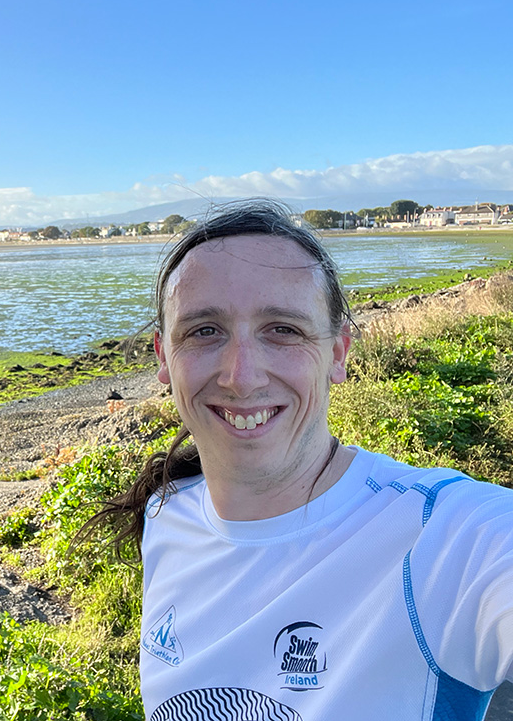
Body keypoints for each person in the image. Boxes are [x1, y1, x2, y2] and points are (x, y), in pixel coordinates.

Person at [92, 199, 513, 720]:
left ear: (337, 353)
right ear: (163, 357)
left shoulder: (443, 540)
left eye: (283, 329)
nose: (241, 377)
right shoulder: (167, 514)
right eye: (204, 331)